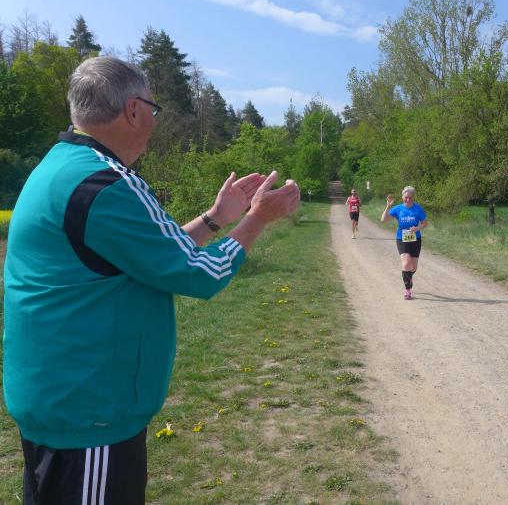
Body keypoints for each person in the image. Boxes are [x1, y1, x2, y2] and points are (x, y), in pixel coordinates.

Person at [2, 56, 300, 504]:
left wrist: (216, 218)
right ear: (133, 110)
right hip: (90, 412)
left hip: (62, 400)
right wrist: (258, 218)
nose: (154, 122)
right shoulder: (106, 184)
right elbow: (201, 273)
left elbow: (156, 254)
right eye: (152, 109)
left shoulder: (66, 168)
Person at [381, 186, 428, 300]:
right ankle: (408, 290)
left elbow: (425, 223)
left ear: (413, 197)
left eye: (410, 197)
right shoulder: (398, 209)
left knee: (413, 267)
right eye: (406, 197)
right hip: (401, 238)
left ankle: (408, 277)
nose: (408, 199)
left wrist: (417, 228)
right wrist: (388, 206)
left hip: (415, 239)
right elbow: (384, 220)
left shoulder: (418, 209)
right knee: (406, 263)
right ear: (402, 197)